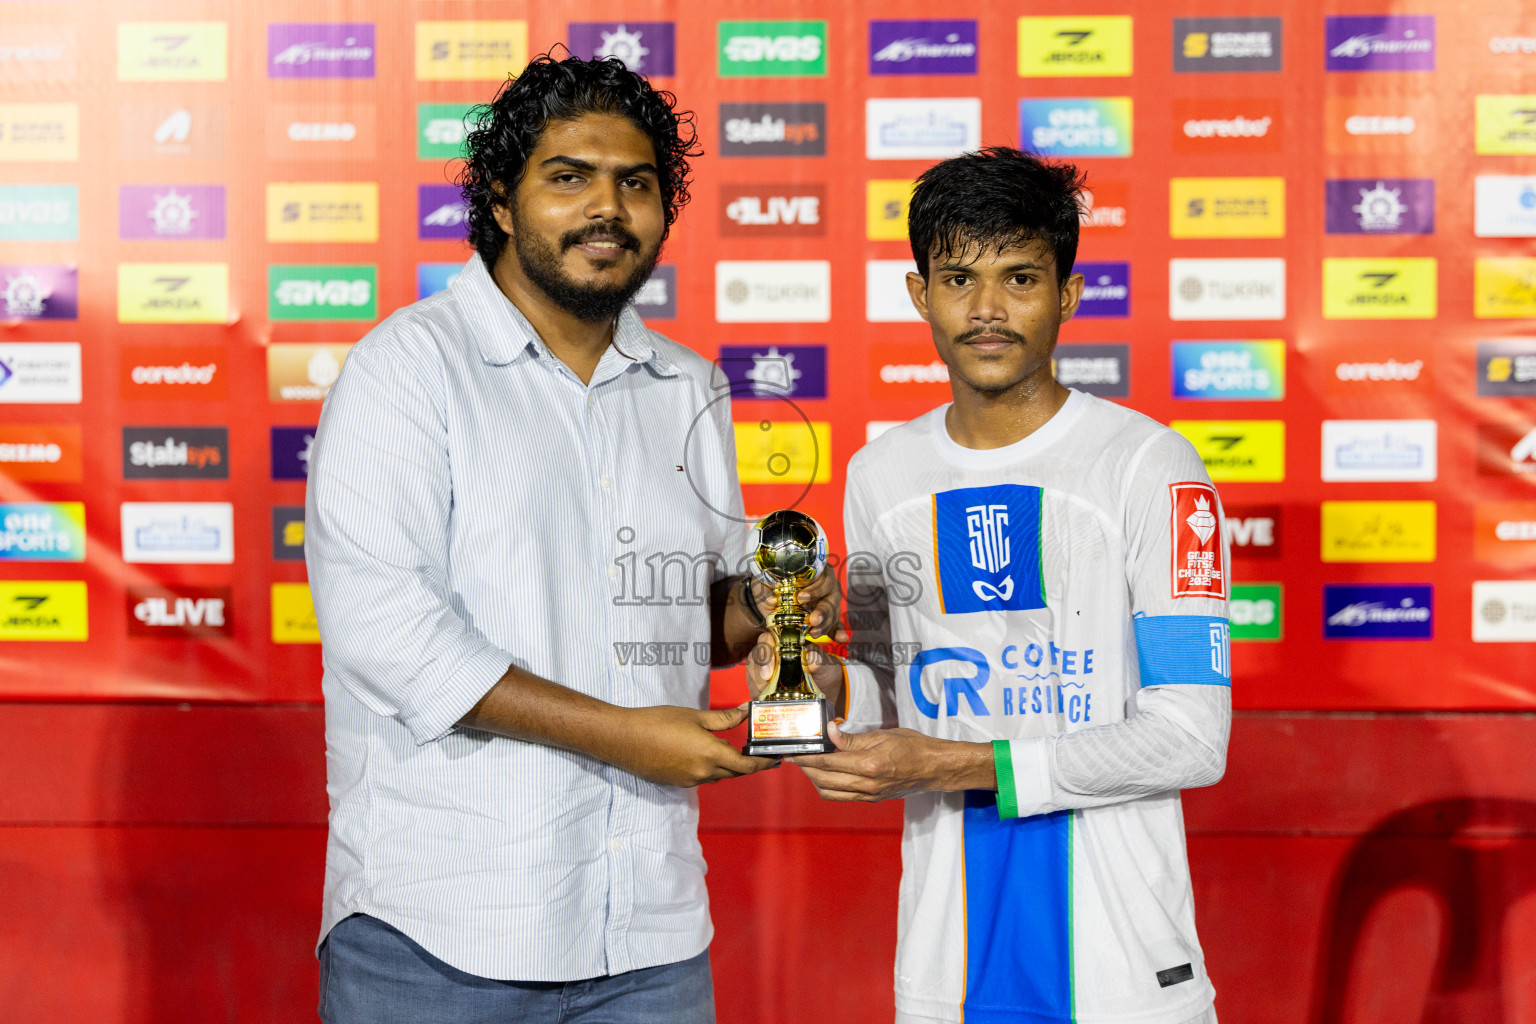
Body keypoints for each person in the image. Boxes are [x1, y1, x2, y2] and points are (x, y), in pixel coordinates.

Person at [306, 54, 839, 1023]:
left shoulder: (690, 385)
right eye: (569, 177)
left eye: (636, 183)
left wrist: (767, 606)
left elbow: (698, 620)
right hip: (441, 939)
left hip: (652, 934)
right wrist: (630, 738)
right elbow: (391, 636)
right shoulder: (407, 370)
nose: (609, 207)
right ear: (502, 203)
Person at [757, 148, 1231, 1024]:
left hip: (1121, 966)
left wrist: (956, 763)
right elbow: (882, 699)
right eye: (958, 278)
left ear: (1069, 294)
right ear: (918, 294)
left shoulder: (1149, 466)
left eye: (1019, 278)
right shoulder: (880, 473)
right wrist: (816, 686)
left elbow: (1191, 740)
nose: (985, 311)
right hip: (947, 965)